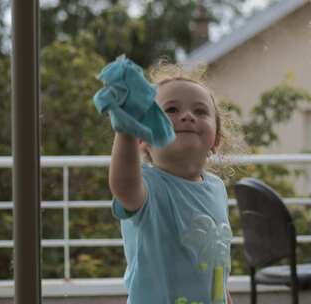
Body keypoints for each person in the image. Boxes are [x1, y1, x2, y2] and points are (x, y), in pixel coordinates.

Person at [98, 58, 235, 304]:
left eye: (200, 111)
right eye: (171, 110)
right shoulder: (148, 185)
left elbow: (218, 267)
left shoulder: (217, 188)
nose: (187, 116)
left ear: (215, 140)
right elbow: (123, 186)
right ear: (143, 138)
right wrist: (126, 128)